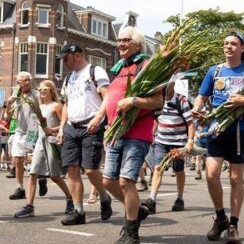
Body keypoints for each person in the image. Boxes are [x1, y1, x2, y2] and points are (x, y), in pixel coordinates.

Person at [192, 31, 244, 244]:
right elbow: (202, 97)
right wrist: (198, 108)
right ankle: (221, 218)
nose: (228, 47)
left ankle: (233, 225)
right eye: (226, 43)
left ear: (242, 48)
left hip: (240, 131)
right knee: (211, 175)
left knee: (235, 178)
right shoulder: (214, 72)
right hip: (216, 130)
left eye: (234, 43)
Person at [103, 26, 163, 244]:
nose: (120, 44)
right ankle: (137, 210)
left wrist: (134, 101)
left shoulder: (146, 66)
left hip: (137, 132)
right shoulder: (119, 67)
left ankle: (131, 231)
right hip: (115, 131)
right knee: (108, 182)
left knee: (126, 180)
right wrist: (102, 120)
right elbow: (110, 98)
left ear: (137, 43)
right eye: (118, 40)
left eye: (125, 40)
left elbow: (158, 101)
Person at [56, 44, 112, 225]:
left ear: (77, 55)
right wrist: (61, 127)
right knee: (72, 169)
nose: (64, 63)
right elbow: (66, 104)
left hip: (91, 126)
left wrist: (99, 118)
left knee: (90, 170)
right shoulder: (68, 79)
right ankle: (78, 211)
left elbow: (108, 98)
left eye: (66, 59)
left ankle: (104, 197)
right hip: (71, 127)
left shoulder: (96, 71)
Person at [14, 80, 74, 217]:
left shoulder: (56, 106)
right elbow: (33, 129)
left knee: (54, 176)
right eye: (40, 89)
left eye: (44, 89)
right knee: (32, 173)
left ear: (51, 91)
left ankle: (70, 198)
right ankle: (29, 206)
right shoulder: (38, 108)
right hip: (39, 145)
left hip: (52, 143)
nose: (41, 92)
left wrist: (52, 129)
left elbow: (66, 125)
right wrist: (29, 148)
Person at [141, 81, 195, 213]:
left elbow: (191, 123)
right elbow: (156, 119)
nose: (164, 87)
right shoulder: (157, 99)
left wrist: (190, 141)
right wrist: (152, 135)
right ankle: (152, 199)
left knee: (178, 170)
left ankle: (179, 198)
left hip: (178, 142)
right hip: (161, 141)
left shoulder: (181, 100)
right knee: (158, 168)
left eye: (167, 85)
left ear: (173, 85)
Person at [6, 71, 40, 200]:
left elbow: (42, 111)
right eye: (24, 80)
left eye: (28, 80)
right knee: (18, 159)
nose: (27, 82)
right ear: (18, 82)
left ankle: (41, 178)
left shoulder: (36, 94)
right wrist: (9, 103)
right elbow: (10, 116)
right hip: (19, 130)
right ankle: (20, 188)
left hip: (32, 129)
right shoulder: (16, 95)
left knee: (33, 159)